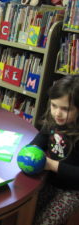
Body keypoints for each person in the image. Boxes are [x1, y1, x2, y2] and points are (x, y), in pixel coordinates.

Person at [30, 75, 79, 225]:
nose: (57, 113)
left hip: (71, 190)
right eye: (54, 105)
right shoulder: (54, 121)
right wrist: (32, 148)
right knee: (25, 210)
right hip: (48, 179)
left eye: (66, 109)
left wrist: (51, 165)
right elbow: (43, 135)